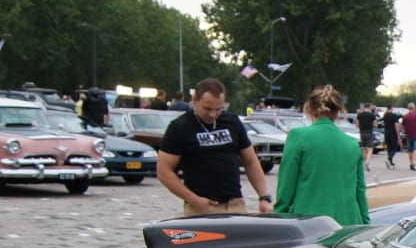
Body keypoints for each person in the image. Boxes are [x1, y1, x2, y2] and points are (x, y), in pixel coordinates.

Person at [157, 77, 272, 216]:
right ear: (195, 100)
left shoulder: (231, 122)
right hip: (201, 207)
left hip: (234, 204)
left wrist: (263, 196)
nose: (212, 114)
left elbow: (251, 161)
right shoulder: (179, 127)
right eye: (207, 109)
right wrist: (192, 199)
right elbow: (164, 171)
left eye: (218, 109)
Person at [273, 84, 368, 226]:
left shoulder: (298, 137)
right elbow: (360, 191)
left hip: (308, 225)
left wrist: (278, 220)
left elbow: (286, 188)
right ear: (338, 111)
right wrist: (365, 225)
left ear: (309, 108)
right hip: (348, 225)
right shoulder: (352, 144)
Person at [400, 102, 416, 170]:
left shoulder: (405, 116)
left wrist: (405, 131)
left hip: (408, 134)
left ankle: (411, 163)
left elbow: (402, 125)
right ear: (414, 107)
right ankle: (413, 163)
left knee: (410, 150)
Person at [356, 102, 376, 170]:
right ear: (369, 107)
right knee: (370, 148)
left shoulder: (360, 115)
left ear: (363, 107)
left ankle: (364, 162)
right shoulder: (372, 115)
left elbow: (357, 125)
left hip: (362, 132)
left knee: (364, 148)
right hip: (369, 132)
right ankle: (367, 162)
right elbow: (375, 125)